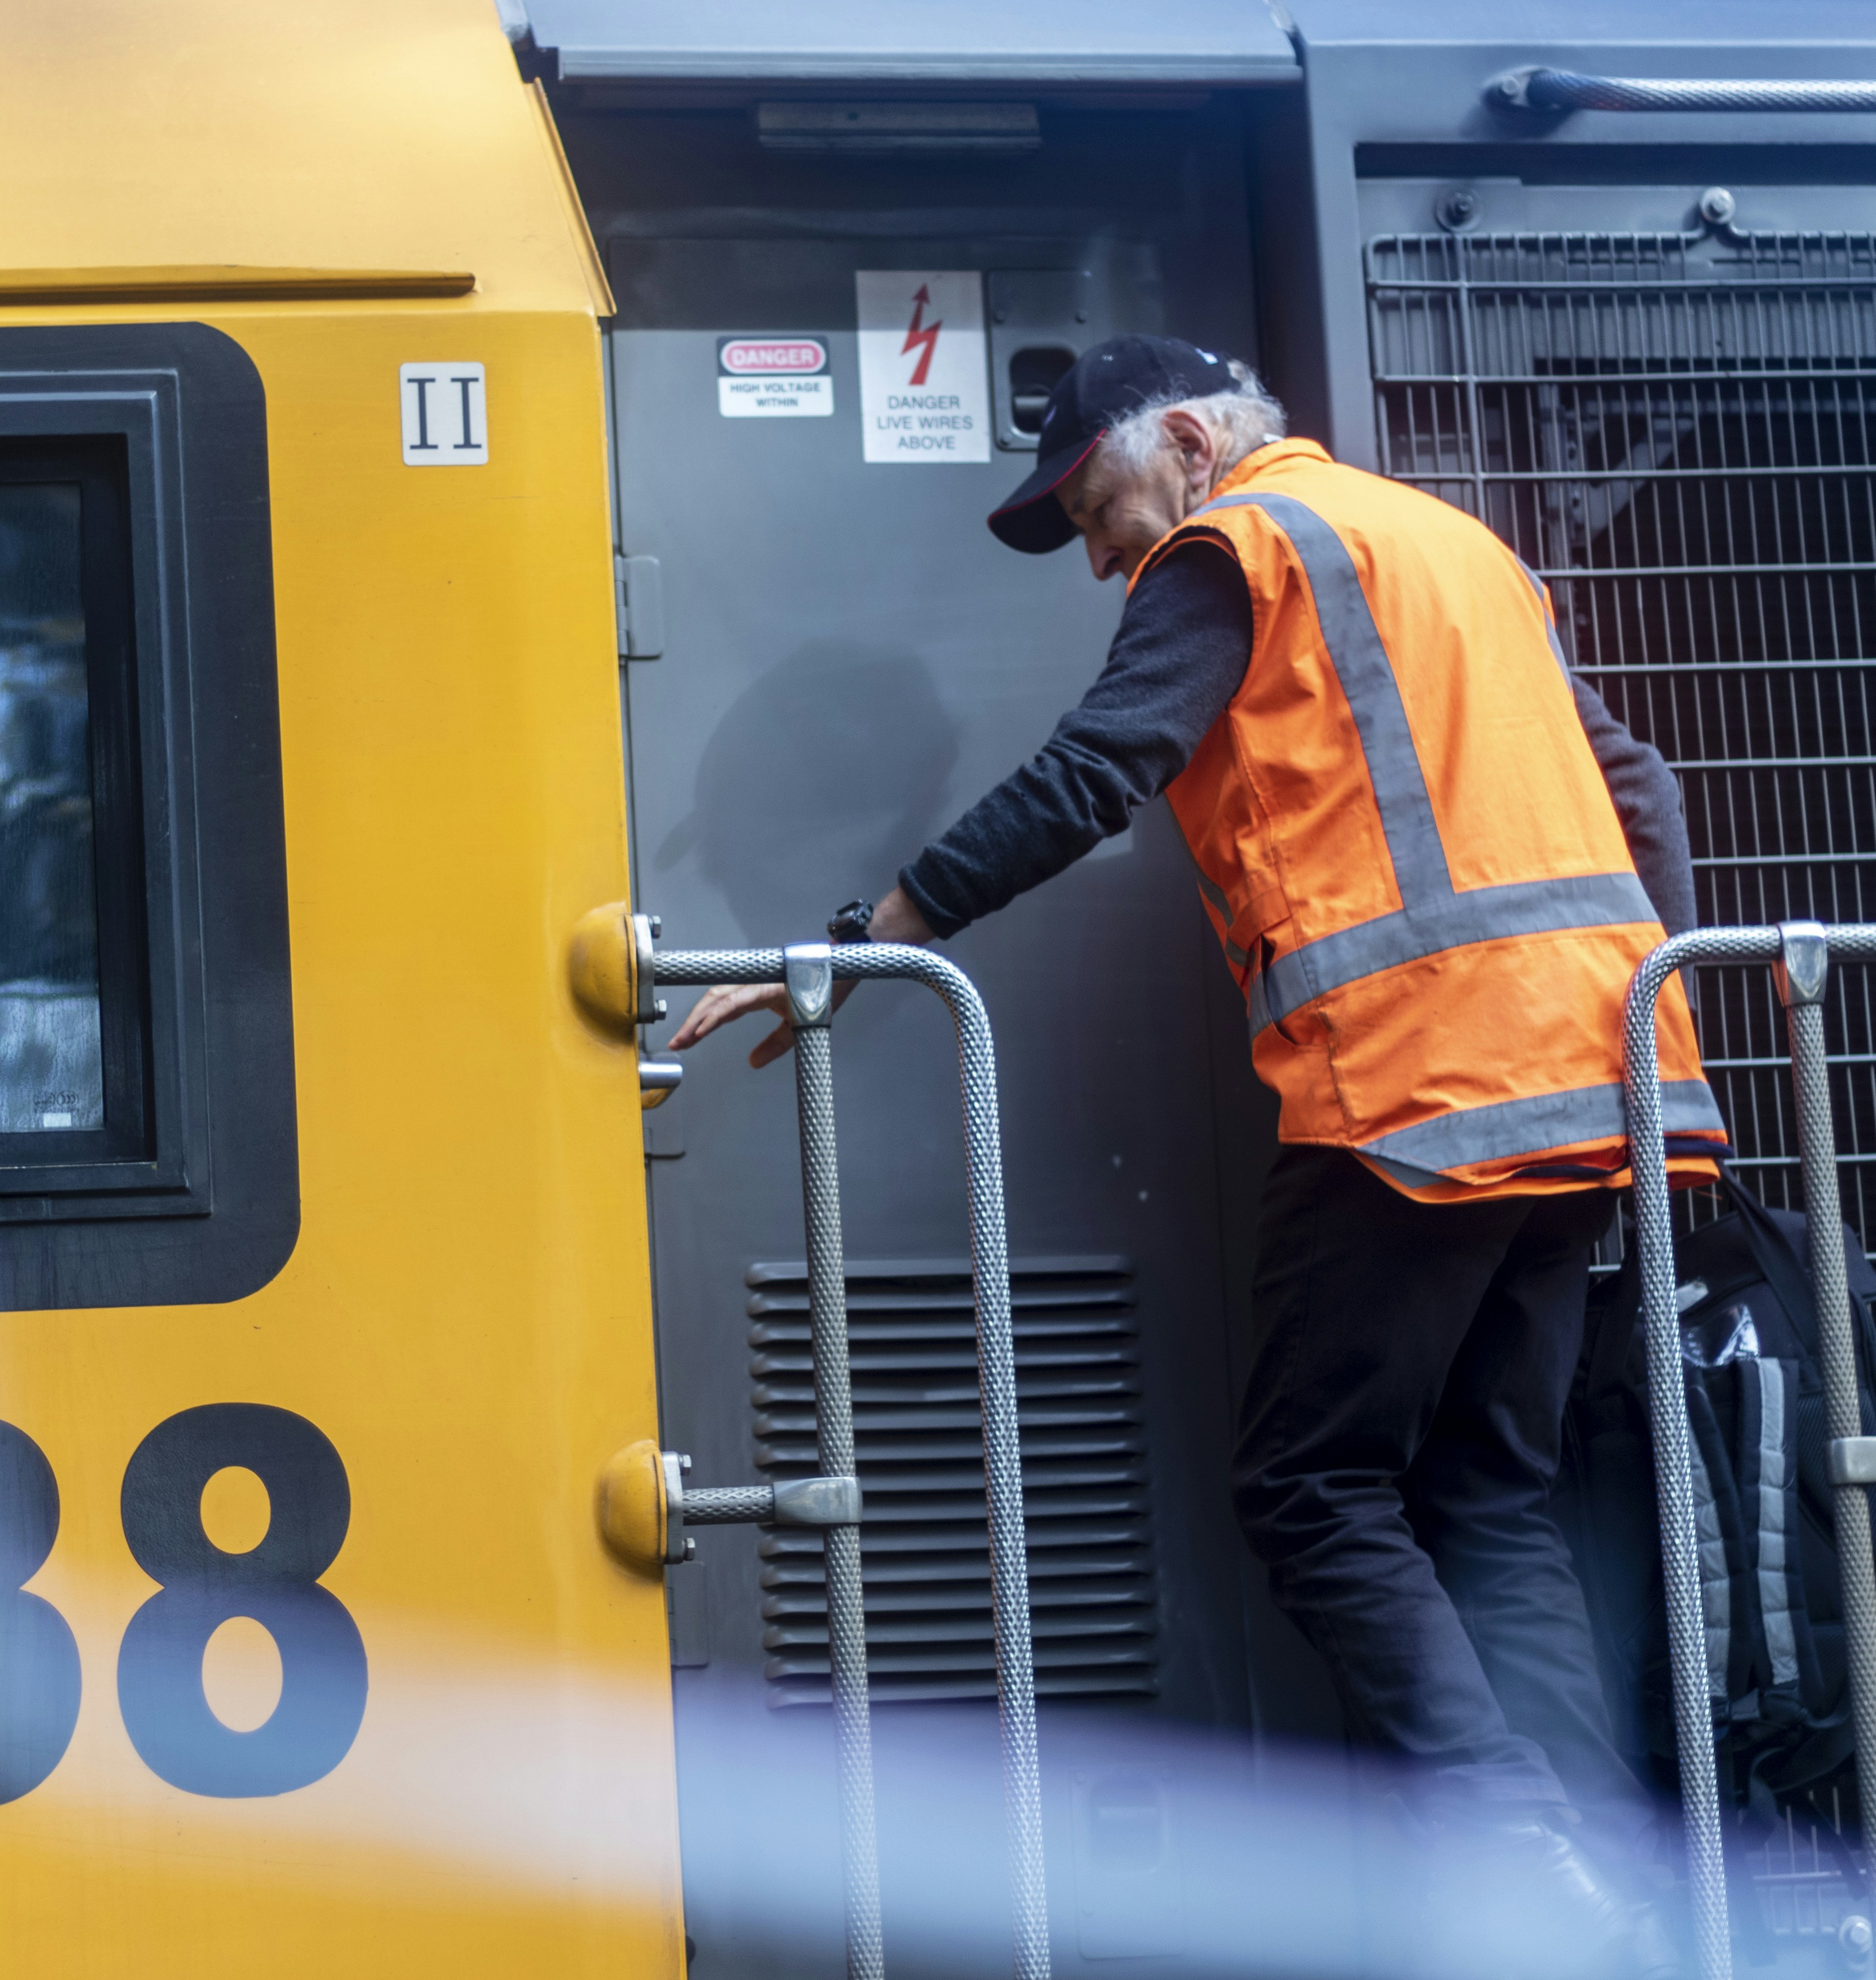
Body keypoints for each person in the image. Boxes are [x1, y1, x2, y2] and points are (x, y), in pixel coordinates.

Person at [670, 335, 1728, 1975]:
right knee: (1492, 1499)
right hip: (1600, 1090)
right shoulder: (1453, 545)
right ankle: (1609, 1897)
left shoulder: (1231, 548)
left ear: (1182, 438)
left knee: (1308, 1489)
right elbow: (1634, 784)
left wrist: (860, 945)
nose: (1103, 557)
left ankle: (1516, 1847)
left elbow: (1100, 769)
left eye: (1094, 507)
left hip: (1415, 1095)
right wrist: (1613, 1003)